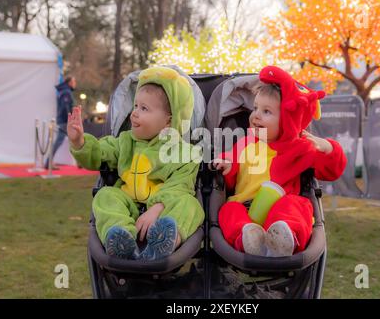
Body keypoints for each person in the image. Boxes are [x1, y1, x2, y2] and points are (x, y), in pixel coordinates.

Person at [67, 66, 204, 261]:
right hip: (128, 203)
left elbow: (180, 186)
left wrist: (157, 208)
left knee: (190, 204)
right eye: (135, 106)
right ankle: (121, 237)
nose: (134, 114)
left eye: (144, 108)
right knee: (105, 195)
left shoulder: (183, 152)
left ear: (168, 121)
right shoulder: (125, 141)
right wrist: (79, 142)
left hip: (163, 210)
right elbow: (100, 152)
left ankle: (166, 240)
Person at [212, 65, 347, 257]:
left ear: (287, 120)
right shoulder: (246, 143)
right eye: (256, 108)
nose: (256, 115)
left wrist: (328, 148)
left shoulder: (300, 146)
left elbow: (332, 170)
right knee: (228, 210)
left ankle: (285, 237)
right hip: (246, 208)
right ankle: (247, 238)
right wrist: (227, 164)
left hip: (279, 209)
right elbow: (232, 166)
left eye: (267, 112)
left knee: (296, 205)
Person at [45, 76, 77, 170]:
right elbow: (66, 107)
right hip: (65, 121)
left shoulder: (64, 91)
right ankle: (48, 163)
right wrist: (70, 120)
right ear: (70, 82)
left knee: (74, 140)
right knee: (60, 141)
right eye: (74, 81)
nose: (75, 83)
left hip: (64, 120)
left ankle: (80, 162)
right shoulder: (66, 92)